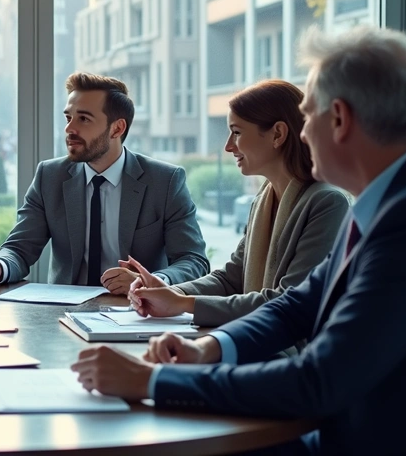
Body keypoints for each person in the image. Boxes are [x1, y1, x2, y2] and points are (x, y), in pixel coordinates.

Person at [70, 27, 406, 455]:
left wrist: (155, 380)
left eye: (308, 114)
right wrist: (206, 350)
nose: (303, 131)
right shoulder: (394, 200)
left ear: (340, 119)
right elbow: (299, 305)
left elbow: (321, 380)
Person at [125, 79, 348, 335]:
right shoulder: (264, 199)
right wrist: (170, 292)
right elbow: (232, 279)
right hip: (254, 343)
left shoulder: (327, 203)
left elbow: (288, 302)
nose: (228, 146)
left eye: (237, 132)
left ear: (278, 134)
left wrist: (182, 303)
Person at [0, 73, 209, 293]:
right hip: (63, 315)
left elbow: (193, 260)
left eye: (83, 119)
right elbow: (19, 249)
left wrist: (151, 281)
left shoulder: (165, 181)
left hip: (137, 312)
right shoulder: (50, 176)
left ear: (117, 128)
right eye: (68, 117)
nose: (69, 128)